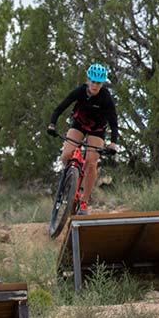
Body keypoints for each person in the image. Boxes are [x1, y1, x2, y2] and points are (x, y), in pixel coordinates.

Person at [47, 63, 119, 214]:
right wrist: (52, 124)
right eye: (92, 81)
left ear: (102, 83)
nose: (94, 85)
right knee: (66, 154)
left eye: (98, 83)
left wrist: (113, 142)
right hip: (79, 124)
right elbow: (60, 107)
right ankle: (70, 179)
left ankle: (84, 200)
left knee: (92, 163)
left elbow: (113, 120)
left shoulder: (105, 97)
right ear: (88, 80)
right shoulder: (80, 91)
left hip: (97, 129)